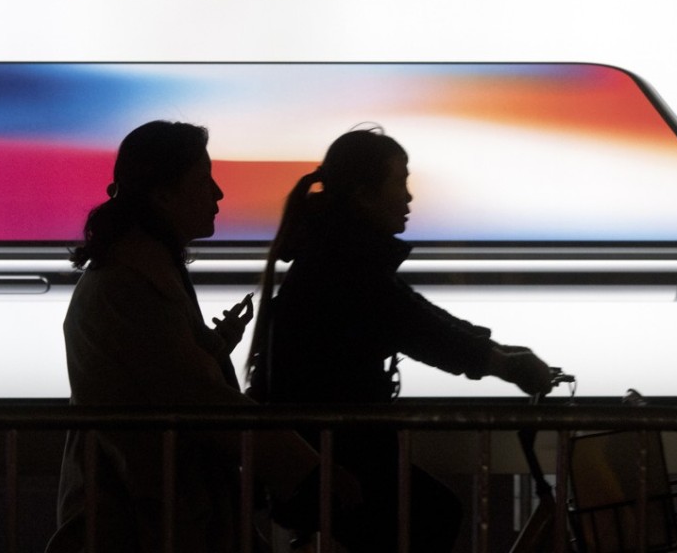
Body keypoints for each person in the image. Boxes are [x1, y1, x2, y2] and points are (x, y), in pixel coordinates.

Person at [48, 121, 352, 553]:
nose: (218, 193)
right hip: (142, 519)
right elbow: (198, 396)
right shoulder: (131, 285)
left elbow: (166, 375)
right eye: (203, 179)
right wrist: (309, 472)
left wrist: (214, 344)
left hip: (148, 512)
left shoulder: (135, 273)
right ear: (163, 194)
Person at [246, 127, 555, 552]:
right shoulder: (347, 265)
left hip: (324, 451)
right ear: (363, 193)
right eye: (400, 181)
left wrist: (497, 352)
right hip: (335, 457)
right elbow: (421, 329)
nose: (408, 198)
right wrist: (506, 364)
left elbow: (416, 316)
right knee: (432, 516)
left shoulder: (335, 252)